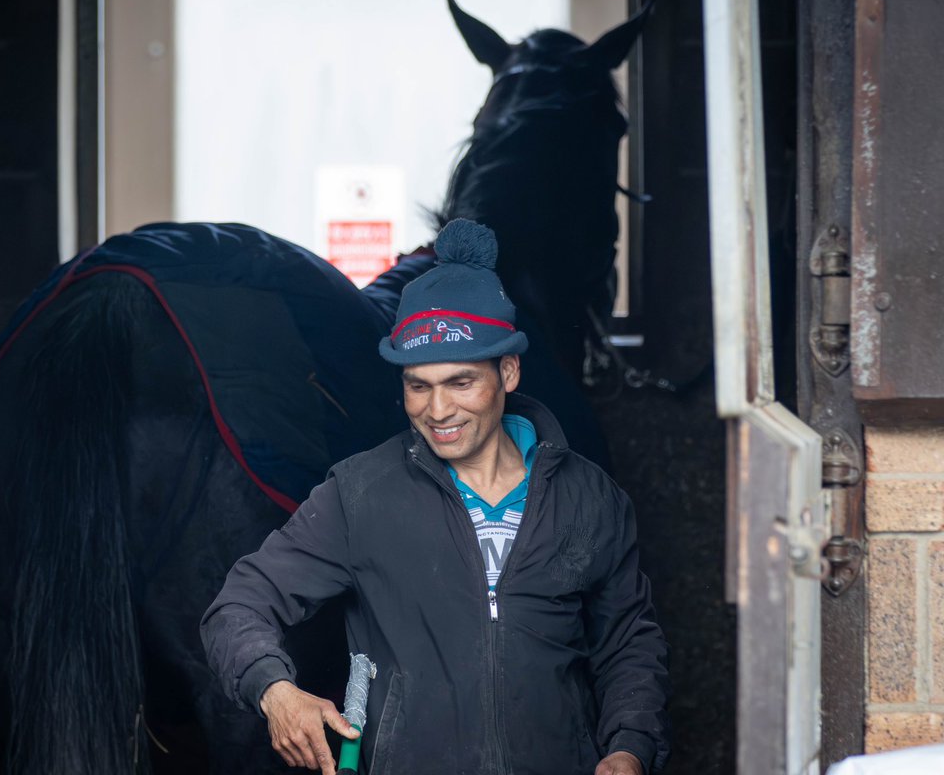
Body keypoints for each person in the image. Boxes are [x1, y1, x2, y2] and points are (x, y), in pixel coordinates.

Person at [201, 219, 670, 774]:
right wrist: (274, 691)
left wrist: (629, 748)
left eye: (461, 383)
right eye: (417, 386)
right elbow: (239, 604)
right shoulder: (360, 495)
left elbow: (628, 643)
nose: (438, 410)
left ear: (509, 371)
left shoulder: (589, 498)